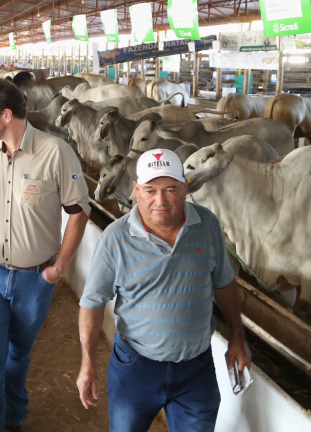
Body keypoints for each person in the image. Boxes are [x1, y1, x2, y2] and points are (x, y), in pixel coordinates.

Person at [0, 78, 91, 432]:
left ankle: (14, 416)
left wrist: (60, 267)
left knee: (18, 354)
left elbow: (79, 212)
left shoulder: (55, 152)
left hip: (34, 278)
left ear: (6, 115)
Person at [76, 149, 251, 432]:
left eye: (170, 189)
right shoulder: (116, 238)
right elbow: (92, 302)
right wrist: (87, 362)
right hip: (136, 367)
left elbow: (223, 283)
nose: (160, 200)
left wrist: (238, 337)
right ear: (136, 190)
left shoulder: (206, 226)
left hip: (196, 368)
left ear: (185, 188)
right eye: (150, 190)